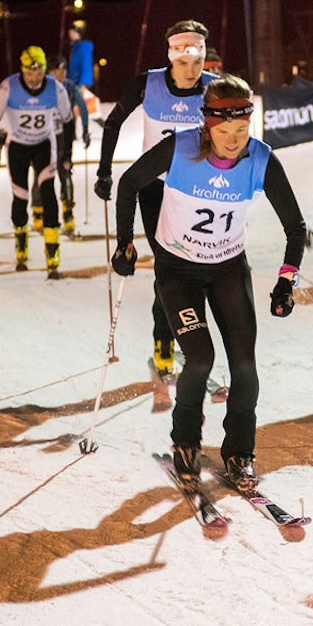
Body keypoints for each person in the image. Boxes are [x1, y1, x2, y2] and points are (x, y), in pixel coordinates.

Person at [111, 73, 307, 493]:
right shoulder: (180, 148)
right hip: (178, 270)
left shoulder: (262, 159)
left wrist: (285, 281)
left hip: (227, 269)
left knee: (244, 367)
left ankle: (240, 452)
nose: (234, 139)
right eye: (224, 130)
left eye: (242, 129)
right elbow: (128, 184)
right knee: (199, 360)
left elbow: (295, 226)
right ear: (207, 125)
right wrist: (125, 245)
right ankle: (185, 443)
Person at [94, 20, 219, 380]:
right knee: (169, 264)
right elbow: (113, 122)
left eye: (198, 62)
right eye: (184, 62)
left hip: (196, 192)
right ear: (171, 58)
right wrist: (105, 170)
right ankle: (164, 338)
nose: (192, 70)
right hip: (154, 187)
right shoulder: (147, 84)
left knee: (193, 265)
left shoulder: (214, 90)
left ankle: (181, 335)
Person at [0, 45, 72, 278]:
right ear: (22, 70)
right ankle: (21, 246)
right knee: (20, 197)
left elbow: (68, 120)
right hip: (18, 148)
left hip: (44, 145)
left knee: (48, 193)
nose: (34, 79)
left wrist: (66, 153)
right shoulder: (8, 86)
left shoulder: (56, 88)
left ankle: (52, 251)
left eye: (39, 73)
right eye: (29, 74)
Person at [45, 57, 84, 236]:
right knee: (43, 174)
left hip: (63, 136)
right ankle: (39, 212)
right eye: (57, 70)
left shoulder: (69, 86)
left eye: (64, 69)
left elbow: (82, 108)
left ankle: (68, 213)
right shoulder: (41, 88)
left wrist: (85, 130)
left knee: (65, 171)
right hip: (44, 138)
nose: (62, 73)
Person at [66, 22, 94, 135]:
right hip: (72, 81)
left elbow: (86, 65)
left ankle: (75, 133)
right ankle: (72, 133)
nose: (70, 35)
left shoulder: (82, 47)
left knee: (79, 107)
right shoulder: (75, 46)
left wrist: (83, 83)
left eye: (72, 33)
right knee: (71, 107)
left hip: (79, 82)